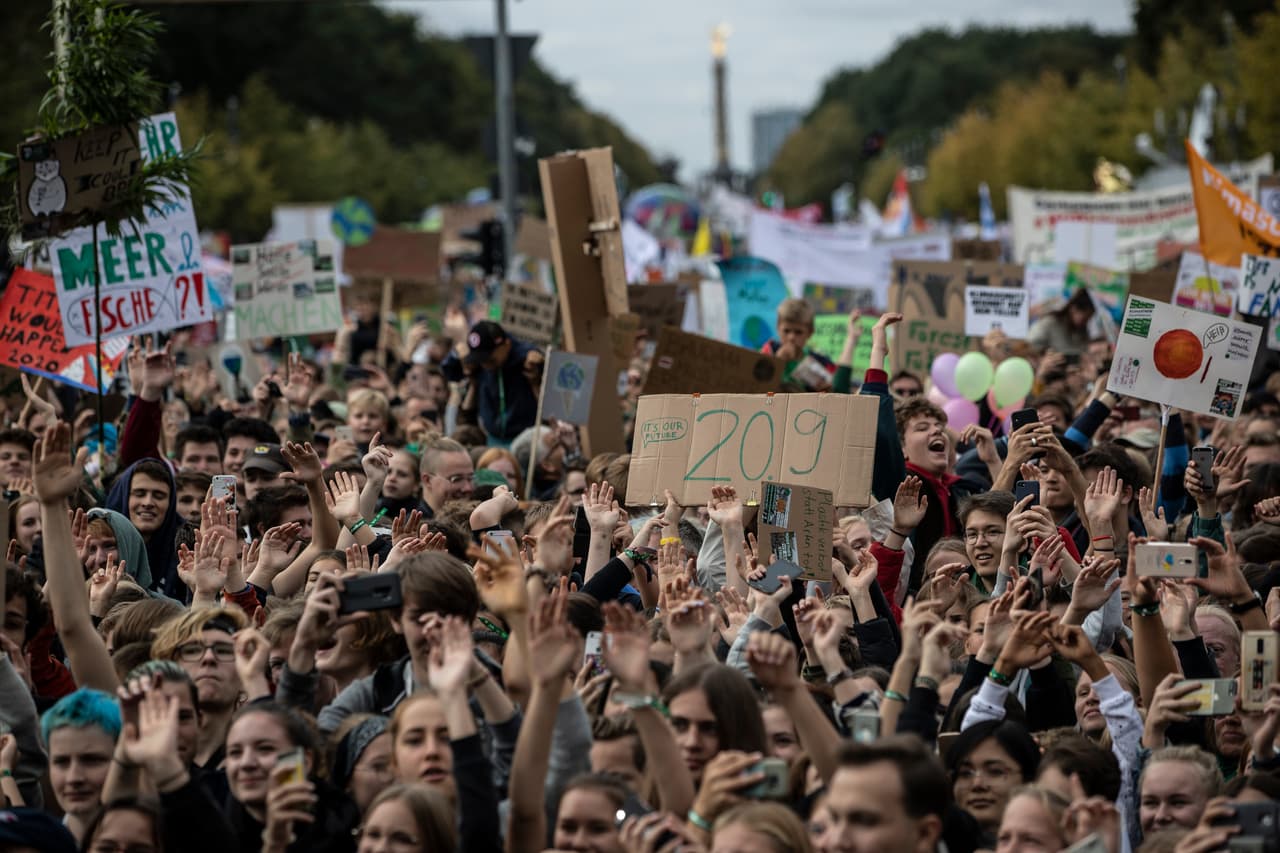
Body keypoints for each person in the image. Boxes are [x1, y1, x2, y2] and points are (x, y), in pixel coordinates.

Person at [440, 321, 543, 445]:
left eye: (490, 359)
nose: (486, 365)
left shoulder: (524, 357)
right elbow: (450, 373)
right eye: (481, 360)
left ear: (506, 345)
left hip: (525, 437)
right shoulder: (480, 366)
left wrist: (538, 366)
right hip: (492, 436)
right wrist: (455, 355)